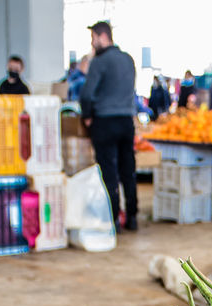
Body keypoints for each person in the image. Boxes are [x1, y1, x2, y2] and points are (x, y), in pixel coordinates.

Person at [79, 21, 138, 232]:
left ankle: (113, 218)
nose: (92, 43)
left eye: (93, 38)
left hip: (104, 121)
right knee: (128, 169)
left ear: (101, 36)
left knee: (108, 171)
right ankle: (132, 217)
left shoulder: (99, 61)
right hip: (126, 121)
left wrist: (87, 116)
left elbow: (87, 94)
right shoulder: (128, 60)